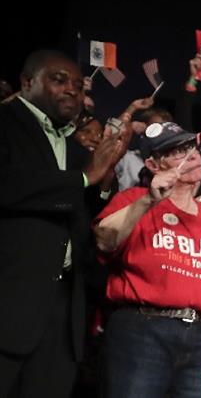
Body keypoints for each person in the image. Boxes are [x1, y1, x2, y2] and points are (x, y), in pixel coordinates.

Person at [0, 49, 126, 398]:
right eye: (59, 80)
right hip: (10, 300)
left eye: (78, 84)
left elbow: (83, 208)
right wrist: (83, 178)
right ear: (27, 82)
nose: (72, 89)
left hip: (63, 310)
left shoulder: (74, 146)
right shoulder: (5, 123)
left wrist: (103, 181)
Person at [93, 121, 201, 398]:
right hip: (143, 331)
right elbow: (104, 240)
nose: (191, 156)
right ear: (153, 165)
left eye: (191, 147)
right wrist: (148, 200)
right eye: (177, 152)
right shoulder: (134, 200)